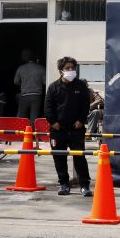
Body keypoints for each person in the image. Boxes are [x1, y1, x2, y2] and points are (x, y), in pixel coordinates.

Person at [44, 56, 92, 196]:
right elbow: (48, 108)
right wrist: (53, 122)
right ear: (61, 71)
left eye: (73, 68)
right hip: (58, 130)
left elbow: (85, 106)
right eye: (67, 68)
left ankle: (85, 185)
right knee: (59, 158)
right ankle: (64, 184)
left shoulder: (81, 86)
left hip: (76, 129)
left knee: (80, 157)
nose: (71, 70)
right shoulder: (53, 87)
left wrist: (81, 121)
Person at [13, 50, 46, 122]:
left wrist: (24, 83)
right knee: (34, 117)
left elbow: (16, 82)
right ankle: (32, 132)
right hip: (37, 96)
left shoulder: (21, 68)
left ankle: (21, 131)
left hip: (24, 95)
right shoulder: (41, 68)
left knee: (22, 117)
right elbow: (45, 82)